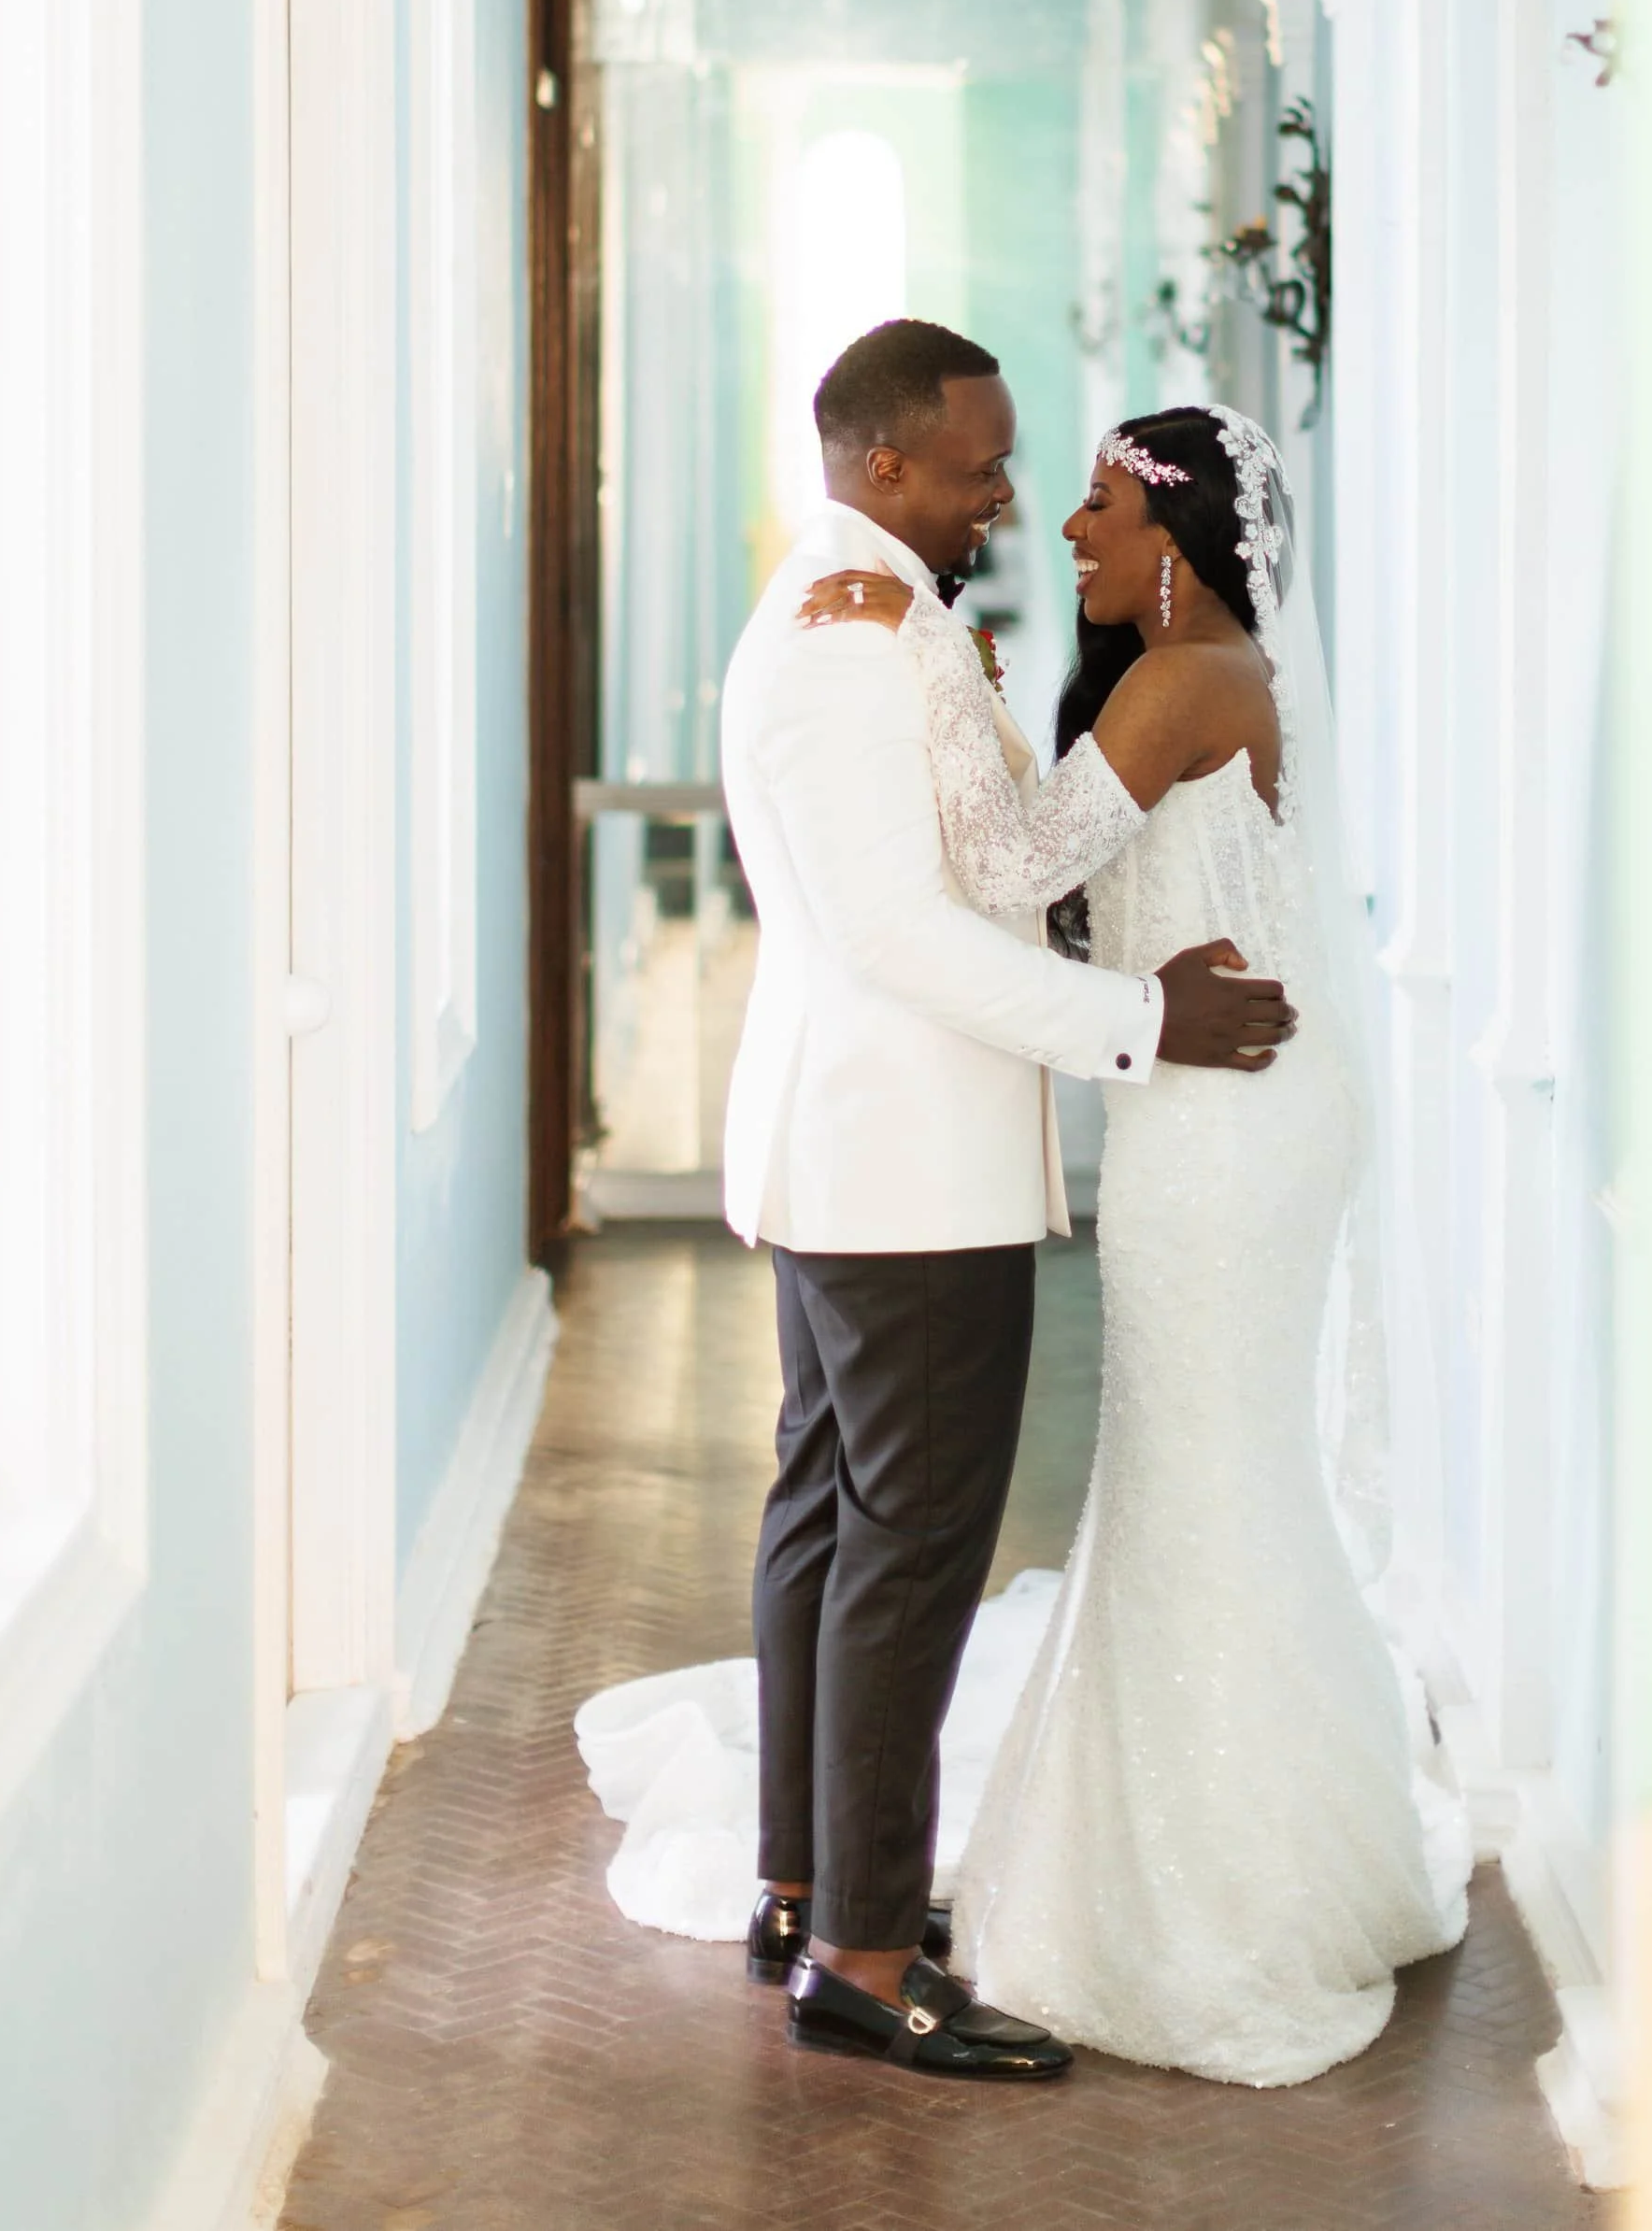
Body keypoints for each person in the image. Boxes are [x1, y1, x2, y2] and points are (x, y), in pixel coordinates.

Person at [791, 403, 1469, 2087]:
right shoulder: (1189, 679)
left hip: (1228, 1136)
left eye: (1096, 505)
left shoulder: (1185, 681)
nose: (1068, 530)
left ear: (1175, 535)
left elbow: (1011, 860)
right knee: (1203, 1477)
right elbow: (1063, 885)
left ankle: (1222, 1894)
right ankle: (1250, 1845)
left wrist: (940, 662)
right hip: (1212, 1114)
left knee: (1204, 1480)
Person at [673, 322, 1296, 2086]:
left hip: (854, 1147)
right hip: (901, 1164)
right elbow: (899, 932)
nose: (1007, 492)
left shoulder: (860, 604)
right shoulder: (855, 640)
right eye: (977, 466)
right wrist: (1141, 1020)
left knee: (830, 1524)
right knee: (909, 1555)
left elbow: (974, 861)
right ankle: (868, 1959)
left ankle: (810, 1890)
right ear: (885, 466)